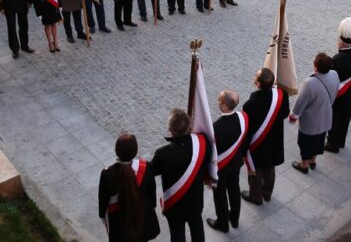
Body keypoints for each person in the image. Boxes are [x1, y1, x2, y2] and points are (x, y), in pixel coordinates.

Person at [150, 108, 210, 242]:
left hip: (175, 203)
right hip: (195, 198)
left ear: (170, 130)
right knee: (197, 226)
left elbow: (152, 171)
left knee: (177, 233)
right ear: (189, 127)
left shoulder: (162, 154)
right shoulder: (202, 143)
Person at [241, 68, 290, 205]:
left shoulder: (250, 105)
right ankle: (267, 192)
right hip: (274, 140)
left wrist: (243, 150)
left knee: (255, 171)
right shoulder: (282, 95)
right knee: (270, 167)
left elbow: (247, 130)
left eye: (255, 76)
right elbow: (285, 113)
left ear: (257, 84)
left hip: (259, 144)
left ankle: (255, 196)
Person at [98, 133, 160, 242]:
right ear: (135, 151)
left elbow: (103, 201)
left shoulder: (107, 174)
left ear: (116, 151)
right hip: (142, 217)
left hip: (118, 221)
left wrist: (103, 216)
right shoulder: (146, 168)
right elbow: (152, 194)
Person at [289, 53, 339, 173]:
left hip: (310, 122)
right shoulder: (334, 74)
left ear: (315, 67)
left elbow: (300, 102)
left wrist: (293, 116)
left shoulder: (309, 83)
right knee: (319, 141)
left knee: (305, 143)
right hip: (326, 116)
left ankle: (304, 165)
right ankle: (313, 161)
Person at [207, 90, 248, 233]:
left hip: (221, 168)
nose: (217, 102)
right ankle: (234, 219)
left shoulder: (215, 128)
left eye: (219, 101)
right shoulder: (242, 118)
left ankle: (222, 223)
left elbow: (211, 152)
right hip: (235, 163)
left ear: (224, 106)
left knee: (220, 195)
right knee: (234, 189)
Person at [325, 18, 351, 153]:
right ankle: (341, 140)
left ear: (341, 42)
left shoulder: (336, 59)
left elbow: (329, 78)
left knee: (335, 118)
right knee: (346, 116)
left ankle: (333, 143)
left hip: (338, 93)